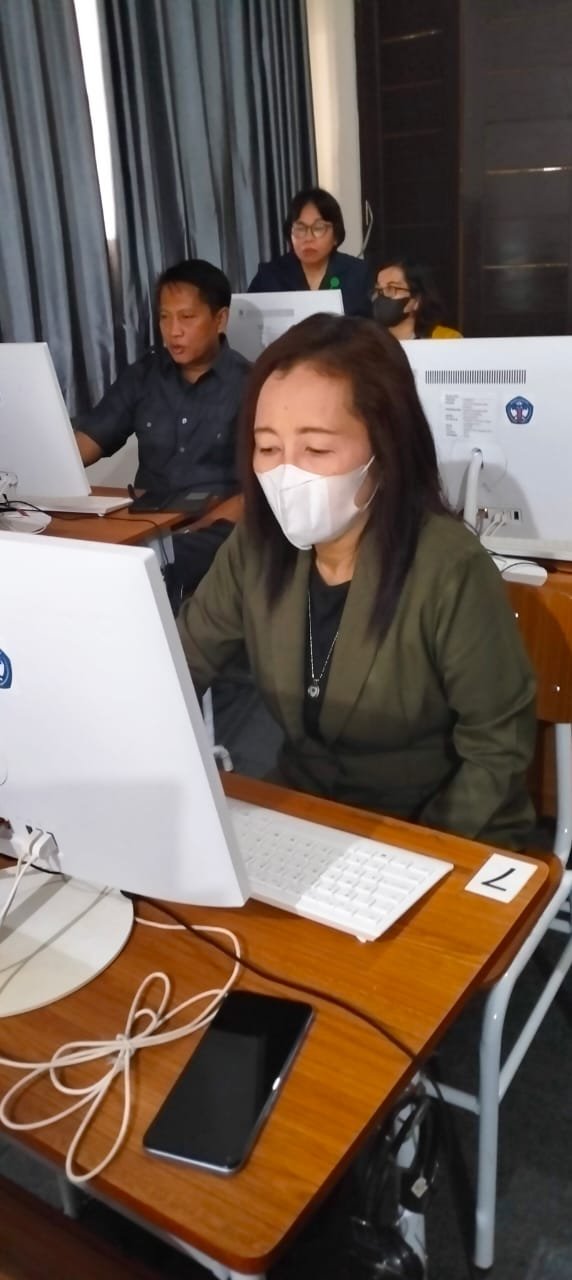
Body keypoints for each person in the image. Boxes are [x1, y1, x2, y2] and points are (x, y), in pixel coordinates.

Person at [178, 314, 536, 850]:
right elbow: (180, 667)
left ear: (385, 449)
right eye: (268, 449)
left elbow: (497, 748)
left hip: (436, 827)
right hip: (308, 813)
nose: (286, 475)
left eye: (317, 450)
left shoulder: (449, 567)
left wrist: (425, 852)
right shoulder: (256, 547)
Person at [74, 258, 251, 597]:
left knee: (145, 569)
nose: (173, 331)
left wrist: (188, 532)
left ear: (220, 320)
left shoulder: (251, 384)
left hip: (216, 529)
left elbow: (255, 493)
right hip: (147, 523)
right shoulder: (144, 375)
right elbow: (89, 440)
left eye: (187, 317)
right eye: (165, 317)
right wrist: (36, 468)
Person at [248, 187, 373, 317]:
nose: (308, 238)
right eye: (300, 228)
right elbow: (246, 319)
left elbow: (372, 325)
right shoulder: (269, 276)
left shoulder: (357, 273)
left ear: (336, 236)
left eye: (318, 228)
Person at [373, 257, 462, 340]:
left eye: (391, 288)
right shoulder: (370, 342)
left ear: (416, 300)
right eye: (378, 289)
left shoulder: (445, 339)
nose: (382, 295)